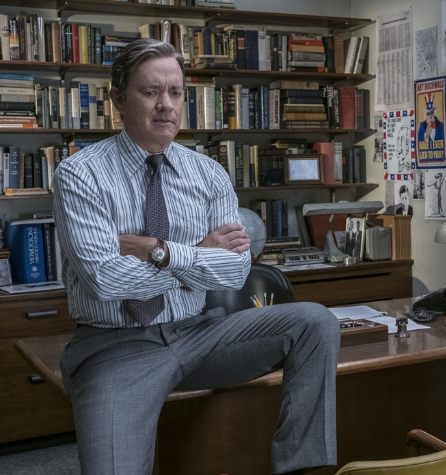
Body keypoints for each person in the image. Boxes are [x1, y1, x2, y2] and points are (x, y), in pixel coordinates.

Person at [52, 39, 340, 475]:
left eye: (175, 92)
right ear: (117, 100)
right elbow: (106, 280)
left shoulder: (208, 172)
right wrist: (197, 257)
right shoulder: (79, 173)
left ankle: (301, 469)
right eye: (150, 92)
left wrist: (158, 251)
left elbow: (236, 269)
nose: (166, 105)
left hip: (201, 334)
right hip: (115, 346)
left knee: (315, 322)